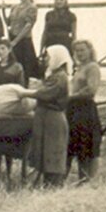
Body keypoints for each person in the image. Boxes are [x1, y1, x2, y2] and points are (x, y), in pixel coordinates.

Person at [15, 45, 72, 187]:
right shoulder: (53, 75)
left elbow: (46, 93)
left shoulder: (60, 77)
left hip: (52, 119)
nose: (45, 59)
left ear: (57, 58)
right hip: (45, 117)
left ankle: (54, 185)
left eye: (48, 56)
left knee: (52, 151)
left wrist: (26, 93)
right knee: (44, 151)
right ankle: (48, 183)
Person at [0, 38, 26, 183]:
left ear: (9, 49)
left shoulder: (17, 67)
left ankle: (8, 171)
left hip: (9, 108)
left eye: (3, 48)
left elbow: (20, 88)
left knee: (8, 139)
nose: (0, 52)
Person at [66, 39, 103, 183]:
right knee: (72, 144)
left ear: (89, 51)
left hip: (85, 110)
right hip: (74, 109)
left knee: (85, 146)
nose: (80, 53)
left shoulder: (92, 67)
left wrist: (70, 97)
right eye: (77, 51)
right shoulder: (80, 68)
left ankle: (85, 181)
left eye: (82, 50)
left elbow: (91, 90)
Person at [5, 0, 40, 79]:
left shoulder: (32, 7)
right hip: (12, 38)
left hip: (24, 40)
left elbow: (28, 26)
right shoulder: (14, 7)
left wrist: (16, 41)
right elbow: (8, 23)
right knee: (13, 66)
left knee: (25, 68)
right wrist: (3, 10)